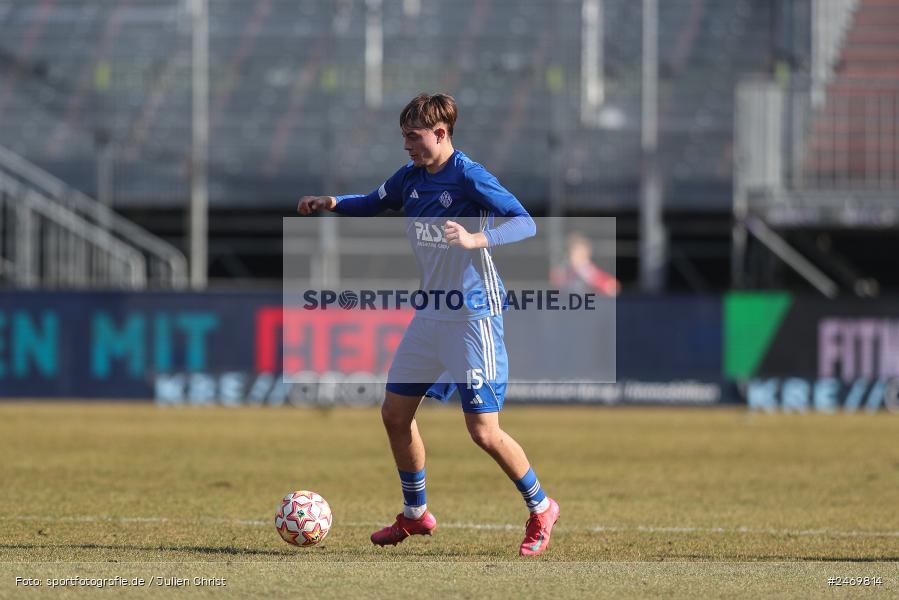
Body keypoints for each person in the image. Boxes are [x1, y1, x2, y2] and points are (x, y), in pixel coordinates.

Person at [297, 93, 560, 556]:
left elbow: (525, 222)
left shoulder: (469, 175)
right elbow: (374, 202)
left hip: (472, 316)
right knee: (395, 414)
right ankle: (416, 515)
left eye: (413, 137)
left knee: (483, 431)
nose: (407, 146)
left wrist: (477, 237)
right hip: (430, 313)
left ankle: (541, 508)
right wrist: (332, 202)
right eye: (403, 137)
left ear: (441, 133)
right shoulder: (412, 178)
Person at [550, 231, 620, 296]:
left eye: (582, 254)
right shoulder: (561, 271)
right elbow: (557, 286)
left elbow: (613, 287)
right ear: (570, 254)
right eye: (577, 253)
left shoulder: (591, 272)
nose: (579, 257)